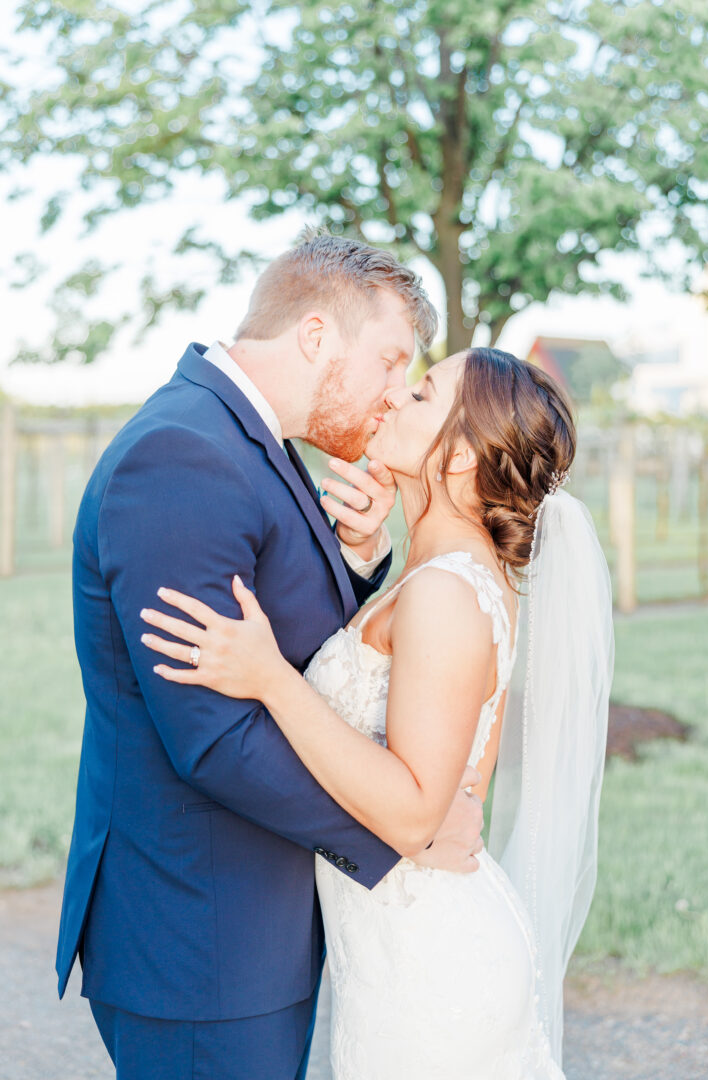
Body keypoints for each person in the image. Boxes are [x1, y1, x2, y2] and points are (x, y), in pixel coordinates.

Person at [56, 231, 486, 1080]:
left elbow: (293, 654)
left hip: (250, 931)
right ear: (318, 337)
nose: (393, 394)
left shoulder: (255, 441)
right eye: (392, 361)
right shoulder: (181, 455)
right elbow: (212, 737)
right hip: (199, 941)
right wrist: (404, 832)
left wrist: (361, 565)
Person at [142, 346, 615, 1080]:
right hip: (395, 954)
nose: (396, 399)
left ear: (457, 457)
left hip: (430, 966)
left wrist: (271, 678)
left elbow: (415, 812)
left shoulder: (445, 594)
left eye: (423, 395)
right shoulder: (434, 576)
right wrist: (368, 548)